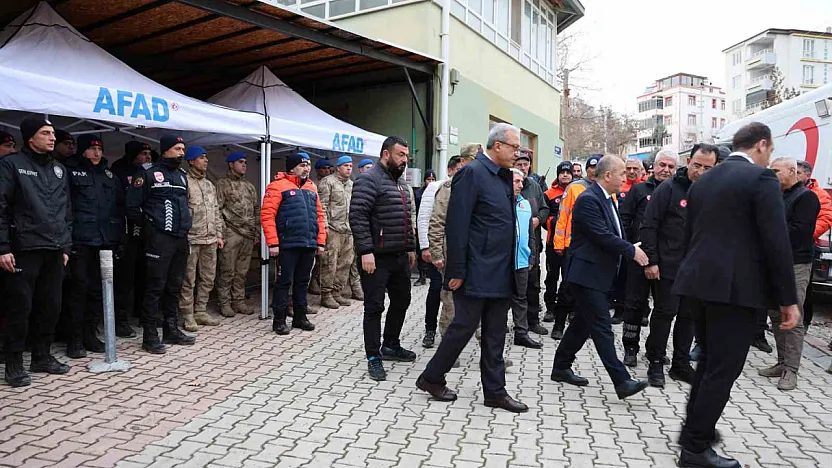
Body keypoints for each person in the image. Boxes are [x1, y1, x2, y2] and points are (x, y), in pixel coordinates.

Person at [673, 123, 799, 468]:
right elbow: (776, 242)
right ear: (761, 145)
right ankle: (696, 450)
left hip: (698, 284)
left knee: (709, 363)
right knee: (722, 370)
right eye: (770, 152)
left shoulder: (704, 181)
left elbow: (691, 236)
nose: (769, 158)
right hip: (735, 292)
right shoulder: (761, 179)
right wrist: (788, 300)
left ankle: (693, 434)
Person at [416, 123, 527, 413]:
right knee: (463, 327)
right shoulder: (472, 173)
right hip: (477, 269)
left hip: (500, 269)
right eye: (514, 147)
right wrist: (455, 271)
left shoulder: (503, 176)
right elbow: (457, 224)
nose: (519, 152)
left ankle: (495, 391)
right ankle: (431, 377)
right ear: (497, 146)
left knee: (495, 332)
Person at [550, 156, 650, 401]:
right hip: (586, 274)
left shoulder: (608, 198)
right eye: (621, 174)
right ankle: (621, 380)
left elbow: (614, 232)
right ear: (608, 176)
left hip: (599, 274)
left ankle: (561, 366)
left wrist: (629, 244)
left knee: (582, 323)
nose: (625, 178)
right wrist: (631, 251)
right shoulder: (588, 199)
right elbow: (601, 235)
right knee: (602, 327)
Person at [0, 116, 72, 387]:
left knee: (50, 306)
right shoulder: (11, 165)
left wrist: (65, 245)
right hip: (23, 249)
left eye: (53, 133)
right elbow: (1, 208)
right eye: (46, 133)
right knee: (20, 308)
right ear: (31, 137)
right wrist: (3, 247)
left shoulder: (58, 169)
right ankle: (14, 364)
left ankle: (41, 356)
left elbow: (67, 211)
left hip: (54, 249)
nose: (53, 138)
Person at [640, 144, 717, 388]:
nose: (701, 172)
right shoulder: (668, 189)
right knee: (664, 314)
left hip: (698, 269)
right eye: (697, 165)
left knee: (689, 317)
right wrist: (651, 260)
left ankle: (681, 364)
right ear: (688, 161)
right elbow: (649, 225)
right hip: (668, 266)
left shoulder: (714, 192)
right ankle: (656, 361)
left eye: (708, 168)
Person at [350, 137, 417, 381]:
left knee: (402, 300)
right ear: (386, 154)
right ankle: (373, 357)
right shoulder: (368, 180)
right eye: (401, 155)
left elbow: (406, 218)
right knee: (374, 307)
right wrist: (365, 251)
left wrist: (410, 247)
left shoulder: (399, 184)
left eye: (407, 156)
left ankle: (390, 344)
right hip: (375, 258)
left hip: (399, 256)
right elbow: (357, 216)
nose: (405, 160)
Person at [126, 134, 196, 354]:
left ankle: (171, 329)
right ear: (165, 150)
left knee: (174, 286)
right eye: (177, 149)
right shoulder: (147, 174)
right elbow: (132, 207)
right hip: (158, 239)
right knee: (155, 286)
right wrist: (149, 231)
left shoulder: (182, 176)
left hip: (180, 238)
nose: (181, 153)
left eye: (183, 149)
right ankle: (149, 335)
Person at [757, 157, 818, 391]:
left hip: (796, 264)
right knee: (774, 312)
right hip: (774, 264)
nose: (771, 175)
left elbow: (799, 232)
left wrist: (767, 232)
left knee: (793, 315)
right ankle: (782, 362)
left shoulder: (806, 198)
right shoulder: (777, 195)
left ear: (792, 171)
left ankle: (791, 370)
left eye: (776, 171)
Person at [63, 135, 124, 358]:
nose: (97, 153)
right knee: (79, 290)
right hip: (81, 239)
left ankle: (91, 334)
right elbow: (65, 206)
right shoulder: (71, 171)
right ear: (83, 151)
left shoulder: (110, 176)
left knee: (99, 291)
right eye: (91, 149)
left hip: (105, 240)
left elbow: (118, 209)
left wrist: (119, 239)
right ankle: (74, 339)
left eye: (100, 148)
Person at [620, 149, 677, 367]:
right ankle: (630, 347)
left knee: (664, 308)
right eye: (663, 165)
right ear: (654, 166)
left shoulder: (679, 192)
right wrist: (629, 247)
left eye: (671, 167)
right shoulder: (639, 190)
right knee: (634, 305)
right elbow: (624, 219)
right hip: (639, 257)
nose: (666, 170)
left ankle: (655, 350)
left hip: (667, 261)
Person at [261, 152, 326, 335]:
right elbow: (267, 216)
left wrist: (320, 241)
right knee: (284, 282)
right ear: (292, 167)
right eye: (302, 165)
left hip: (308, 243)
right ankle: (279, 321)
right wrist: (273, 243)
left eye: (308, 165)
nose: (307, 168)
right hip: (287, 244)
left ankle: (300, 317)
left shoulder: (312, 187)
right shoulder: (277, 186)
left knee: (302, 282)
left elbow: (319, 216)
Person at [550, 155, 600, 339]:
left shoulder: (606, 189)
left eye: (598, 167)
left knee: (588, 290)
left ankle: (580, 327)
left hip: (595, 249)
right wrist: (559, 244)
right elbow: (562, 217)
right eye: (591, 167)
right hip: (573, 247)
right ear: (587, 169)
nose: (594, 171)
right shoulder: (574, 187)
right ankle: (559, 324)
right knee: (567, 286)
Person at [179, 146, 224, 332]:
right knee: (188, 279)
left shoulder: (209, 185)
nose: (206, 161)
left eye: (206, 157)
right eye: (202, 158)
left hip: (210, 239)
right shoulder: (184, 182)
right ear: (191, 161)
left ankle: (200, 310)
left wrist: (219, 234)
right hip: (191, 238)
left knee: (208, 278)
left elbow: (216, 211)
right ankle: (187, 314)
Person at [111, 141, 153, 337]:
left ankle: (143, 313)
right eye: (144, 154)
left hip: (144, 230)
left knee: (144, 275)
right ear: (134, 154)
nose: (148, 157)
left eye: (149, 154)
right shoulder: (118, 171)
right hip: (125, 231)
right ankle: (120, 320)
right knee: (124, 279)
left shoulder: (149, 173)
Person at [216, 152, 258, 317]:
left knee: (242, 272)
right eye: (240, 162)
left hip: (247, 234)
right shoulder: (223, 184)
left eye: (246, 162)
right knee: (227, 270)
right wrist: (223, 231)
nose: (244, 165)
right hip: (231, 232)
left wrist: (256, 230)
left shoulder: (249, 186)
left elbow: (256, 209)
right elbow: (217, 208)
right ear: (231, 164)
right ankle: (224, 302)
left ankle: (238, 301)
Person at [514, 151, 549, 336]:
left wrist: (538, 219)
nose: (522, 168)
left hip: (532, 243)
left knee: (533, 284)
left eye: (525, 164)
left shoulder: (535, 186)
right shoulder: (507, 184)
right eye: (519, 164)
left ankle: (533, 321)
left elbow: (545, 208)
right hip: (512, 247)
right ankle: (506, 322)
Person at [795, 159, 832, 330]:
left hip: (808, 245)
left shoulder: (819, 194)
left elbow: (825, 218)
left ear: (807, 175)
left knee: (806, 287)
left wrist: (807, 234)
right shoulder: (787, 190)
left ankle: (804, 321)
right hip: (790, 245)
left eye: (798, 173)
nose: (795, 175)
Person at [509, 169, 544, 349]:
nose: (520, 185)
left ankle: (521, 333)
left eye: (521, 182)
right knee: (499, 300)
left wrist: (532, 256)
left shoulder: (525, 205)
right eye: (516, 181)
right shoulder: (500, 203)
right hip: (502, 262)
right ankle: (495, 332)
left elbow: (531, 234)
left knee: (521, 298)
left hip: (522, 261)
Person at [318, 155, 355, 310]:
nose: (348, 168)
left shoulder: (351, 185)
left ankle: (337, 292)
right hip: (333, 229)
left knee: (345, 263)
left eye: (351, 166)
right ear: (338, 167)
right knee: (329, 263)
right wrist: (324, 226)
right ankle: (326, 295)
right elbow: (322, 206)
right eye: (345, 165)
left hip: (348, 230)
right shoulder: (327, 182)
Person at [416, 167, 447, 348]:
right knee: (436, 289)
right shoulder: (436, 187)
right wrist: (425, 246)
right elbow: (424, 217)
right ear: (450, 170)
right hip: (439, 249)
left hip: (460, 252)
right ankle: (430, 329)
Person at [542, 161, 573, 332]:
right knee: (552, 276)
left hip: (571, 244)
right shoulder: (549, 194)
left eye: (568, 172)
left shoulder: (577, 191)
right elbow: (544, 217)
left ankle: (569, 309)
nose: (565, 175)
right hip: (552, 242)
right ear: (558, 174)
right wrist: (555, 222)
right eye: (562, 172)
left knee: (569, 278)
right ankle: (550, 307)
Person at [414, 169, 437, 286]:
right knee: (421, 251)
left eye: (433, 179)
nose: (431, 182)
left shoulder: (439, 192)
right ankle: (421, 275)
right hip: (421, 227)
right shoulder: (418, 194)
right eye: (429, 179)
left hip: (434, 227)